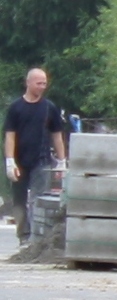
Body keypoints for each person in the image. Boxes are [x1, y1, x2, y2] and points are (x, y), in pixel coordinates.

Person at [4, 68, 66, 246]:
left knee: (37, 199)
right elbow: (10, 135)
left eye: (45, 83)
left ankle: (35, 238)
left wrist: (61, 161)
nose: (42, 86)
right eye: (39, 83)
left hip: (41, 161)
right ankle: (23, 235)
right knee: (19, 200)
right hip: (19, 161)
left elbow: (56, 135)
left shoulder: (49, 108)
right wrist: (10, 161)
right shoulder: (16, 108)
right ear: (28, 83)